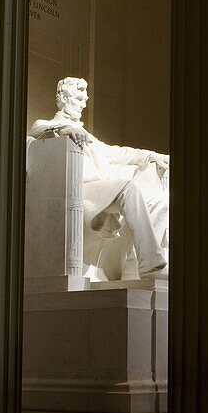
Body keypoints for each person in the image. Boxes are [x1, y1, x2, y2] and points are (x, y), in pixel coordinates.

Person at [30, 77, 169, 279]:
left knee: (159, 201)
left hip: (102, 191)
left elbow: (118, 152)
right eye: (78, 98)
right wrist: (64, 129)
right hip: (77, 190)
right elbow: (35, 131)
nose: (83, 103)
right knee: (128, 189)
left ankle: (137, 270)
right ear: (62, 98)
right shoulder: (49, 126)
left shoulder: (86, 135)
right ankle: (151, 263)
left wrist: (153, 156)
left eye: (84, 99)